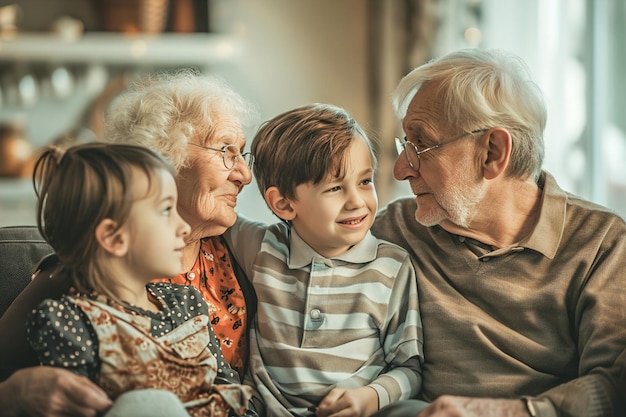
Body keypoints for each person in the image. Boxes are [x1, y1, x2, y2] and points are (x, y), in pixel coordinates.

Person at [369, 48, 626, 417]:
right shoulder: (396, 229)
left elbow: (613, 387)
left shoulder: (601, 243)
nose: (400, 169)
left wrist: (495, 412)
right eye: (404, 145)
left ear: (492, 152)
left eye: (421, 144)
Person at [0, 71, 259, 416]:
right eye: (226, 151)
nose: (245, 174)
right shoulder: (85, 273)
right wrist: (10, 395)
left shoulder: (247, 251)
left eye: (243, 154)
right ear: (167, 157)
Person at [224, 103, 425, 417]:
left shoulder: (391, 266)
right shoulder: (263, 247)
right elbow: (207, 211)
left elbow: (409, 368)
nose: (357, 201)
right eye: (335, 188)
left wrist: (370, 397)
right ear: (284, 204)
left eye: (365, 181)